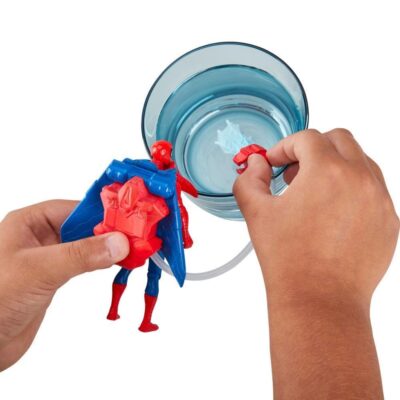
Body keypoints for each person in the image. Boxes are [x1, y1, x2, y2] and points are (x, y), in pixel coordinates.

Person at [0, 129, 398, 399]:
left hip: (145, 240)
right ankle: (121, 309)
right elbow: (166, 199)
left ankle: (136, 314)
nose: (162, 156)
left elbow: (179, 199)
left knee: (148, 271)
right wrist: (323, 293)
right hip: (139, 240)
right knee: (138, 270)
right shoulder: (142, 181)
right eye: (161, 154)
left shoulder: (159, 182)